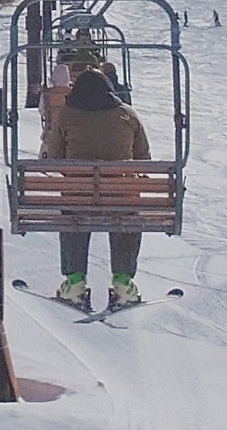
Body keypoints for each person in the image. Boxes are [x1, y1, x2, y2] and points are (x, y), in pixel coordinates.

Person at [45, 63, 152, 307]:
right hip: (119, 198)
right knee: (127, 211)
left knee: (73, 212)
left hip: (79, 198)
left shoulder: (65, 114)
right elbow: (143, 159)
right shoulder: (127, 113)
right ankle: (124, 282)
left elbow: (56, 158)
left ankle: (75, 281)